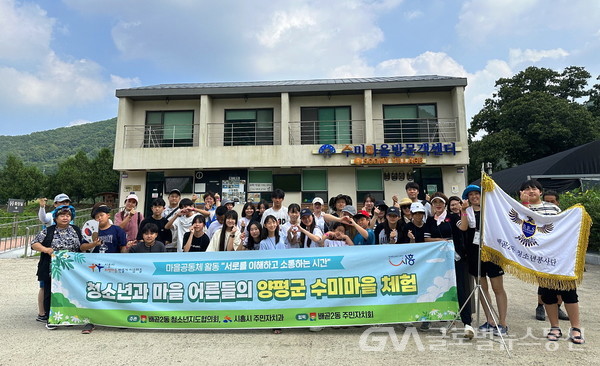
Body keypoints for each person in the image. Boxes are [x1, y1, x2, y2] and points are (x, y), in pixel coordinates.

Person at [519, 180, 583, 344]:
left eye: (534, 188)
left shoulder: (553, 208)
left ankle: (575, 328)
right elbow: (521, 230)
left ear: (540, 192)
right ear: (521, 193)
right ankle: (554, 327)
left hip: (560, 258)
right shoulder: (519, 209)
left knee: (569, 292)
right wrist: (524, 205)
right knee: (547, 294)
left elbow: (565, 228)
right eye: (526, 188)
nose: (531, 190)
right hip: (540, 259)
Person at [459, 185, 508, 336]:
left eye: (477, 193)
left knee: (497, 288)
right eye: (471, 195)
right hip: (474, 254)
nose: (474, 196)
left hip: (492, 253)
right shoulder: (467, 212)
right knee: (481, 287)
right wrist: (463, 211)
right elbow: (463, 228)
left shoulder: (492, 209)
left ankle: (503, 322)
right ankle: (490, 320)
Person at [31, 205, 84, 330]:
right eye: (62, 215)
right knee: (51, 292)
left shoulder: (76, 229)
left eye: (68, 215)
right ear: (56, 218)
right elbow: (34, 243)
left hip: (71, 268)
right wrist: (46, 249)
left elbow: (82, 245)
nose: (65, 218)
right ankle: (52, 318)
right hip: (52, 268)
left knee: (71, 291)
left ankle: (70, 316)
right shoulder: (48, 231)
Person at [531, 189, 569, 321]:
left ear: (557, 202)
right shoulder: (537, 215)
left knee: (560, 282)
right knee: (545, 281)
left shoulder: (564, 218)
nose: (548, 204)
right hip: (543, 252)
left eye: (551, 202)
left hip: (559, 252)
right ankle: (540, 306)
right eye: (546, 201)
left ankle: (557, 307)